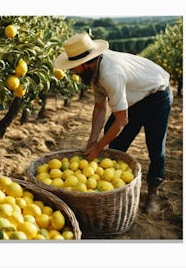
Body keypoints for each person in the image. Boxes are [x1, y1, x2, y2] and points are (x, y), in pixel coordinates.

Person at [54, 33, 173, 214]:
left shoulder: (110, 73)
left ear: (85, 63)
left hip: (157, 96)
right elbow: (100, 108)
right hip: (134, 99)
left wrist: (98, 147)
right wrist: (93, 140)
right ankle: (111, 187)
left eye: (73, 67)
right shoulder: (93, 72)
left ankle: (153, 192)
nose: (72, 71)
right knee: (115, 145)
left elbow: (121, 120)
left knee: (156, 148)